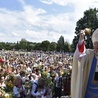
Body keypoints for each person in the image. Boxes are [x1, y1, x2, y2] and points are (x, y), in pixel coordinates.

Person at [71, 28, 98, 98]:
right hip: (89, 92)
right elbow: (79, 55)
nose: (96, 47)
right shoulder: (90, 54)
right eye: (95, 44)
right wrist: (81, 40)